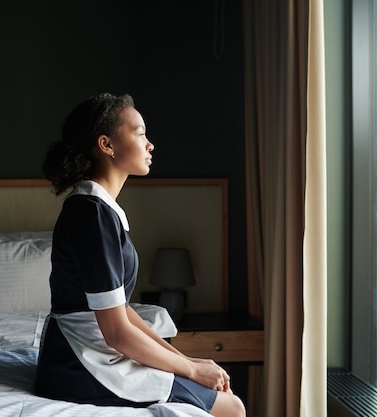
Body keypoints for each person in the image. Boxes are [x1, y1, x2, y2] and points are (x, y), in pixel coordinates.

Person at [35, 93, 246, 417]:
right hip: (82, 362)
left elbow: (122, 311)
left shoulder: (99, 209)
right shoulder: (91, 214)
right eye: (140, 133)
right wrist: (190, 371)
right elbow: (117, 331)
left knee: (226, 401)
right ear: (107, 144)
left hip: (91, 352)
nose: (150, 145)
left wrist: (190, 363)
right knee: (232, 408)